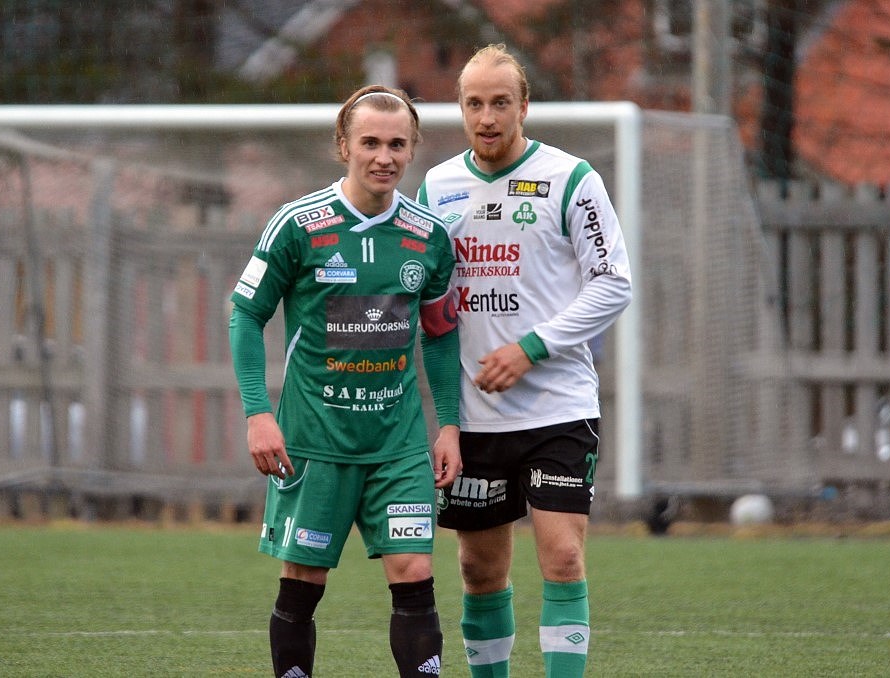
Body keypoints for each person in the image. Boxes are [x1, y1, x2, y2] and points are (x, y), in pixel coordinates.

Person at [229, 84, 462, 678]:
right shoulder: (297, 225)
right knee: (304, 579)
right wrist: (258, 413)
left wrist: (450, 426)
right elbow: (246, 315)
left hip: (398, 444)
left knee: (415, 571)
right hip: (314, 442)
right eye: (370, 143)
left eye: (397, 144)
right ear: (344, 146)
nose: (384, 156)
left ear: (412, 149)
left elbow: (440, 333)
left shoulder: (429, 236)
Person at [417, 44, 633, 678]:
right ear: (460, 109)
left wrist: (531, 347)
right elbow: (432, 305)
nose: (487, 117)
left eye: (500, 103)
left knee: (562, 558)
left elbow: (613, 283)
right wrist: (445, 417)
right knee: (478, 569)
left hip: (558, 407)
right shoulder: (436, 188)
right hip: (476, 417)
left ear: (524, 106)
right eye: (474, 104)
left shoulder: (572, 179)